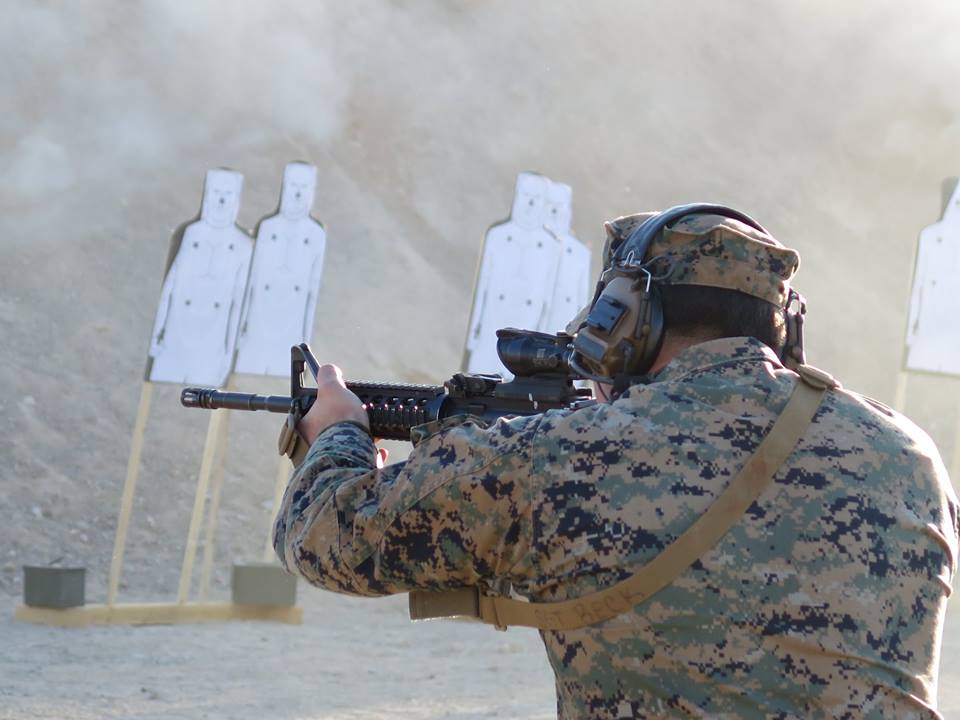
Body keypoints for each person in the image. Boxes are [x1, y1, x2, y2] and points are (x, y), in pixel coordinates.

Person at [273, 206, 958, 719]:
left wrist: (338, 433)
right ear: (785, 329)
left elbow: (326, 537)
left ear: (625, 322)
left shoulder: (558, 458)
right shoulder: (910, 454)